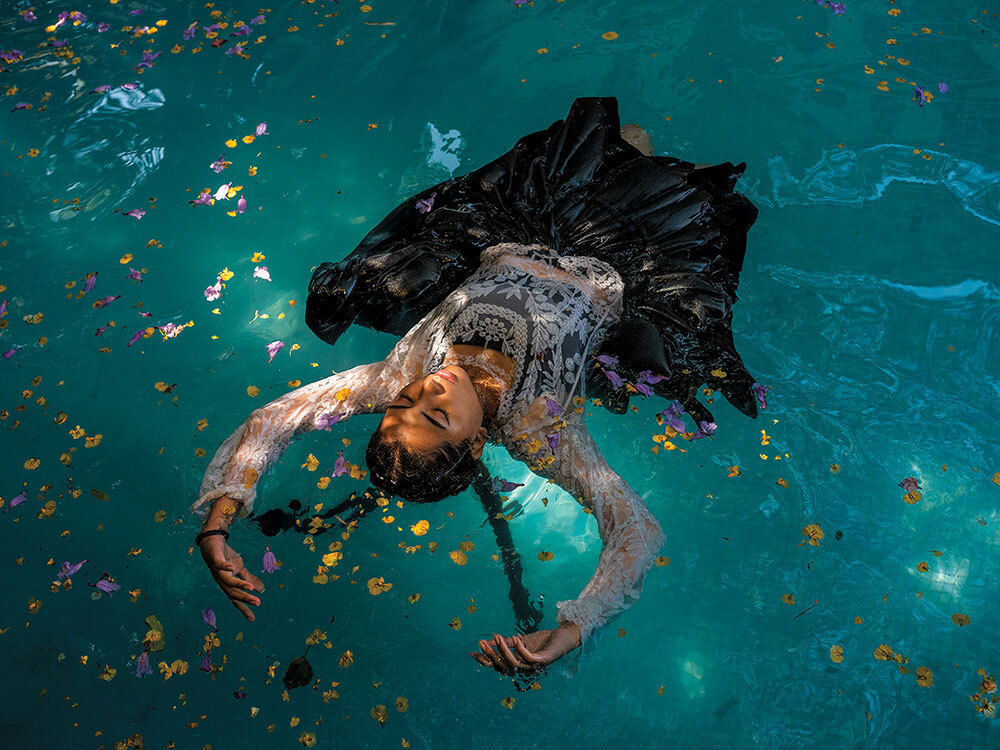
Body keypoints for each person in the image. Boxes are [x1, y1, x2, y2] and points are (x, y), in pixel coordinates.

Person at [192, 97, 762, 676]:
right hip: (625, 258)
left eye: (405, 403)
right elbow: (637, 530)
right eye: (437, 415)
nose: (428, 389)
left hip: (525, 221)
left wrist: (218, 523)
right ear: (472, 445)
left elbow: (274, 419)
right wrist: (575, 626)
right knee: (669, 179)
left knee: (623, 135)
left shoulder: (397, 375)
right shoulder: (540, 428)